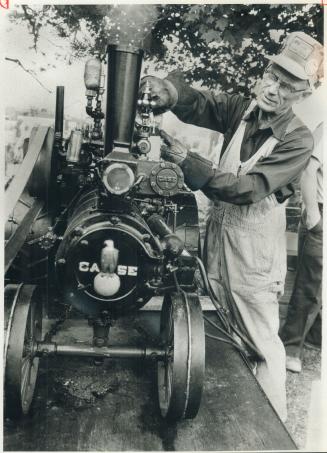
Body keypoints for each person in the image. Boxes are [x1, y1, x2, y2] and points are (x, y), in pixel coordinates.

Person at [140, 32, 323, 422]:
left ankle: (274, 434)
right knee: (227, 330)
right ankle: (236, 425)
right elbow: (200, 103)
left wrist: (187, 160)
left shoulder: (298, 140)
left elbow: (247, 189)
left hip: (254, 257)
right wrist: (169, 92)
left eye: (289, 88)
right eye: (273, 78)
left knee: (263, 343)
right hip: (219, 242)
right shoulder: (242, 110)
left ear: (303, 97)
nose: (275, 90)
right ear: (265, 72)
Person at [280, 122, 323, 373]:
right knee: (311, 282)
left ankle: (316, 338)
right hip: (321, 213)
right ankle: (289, 348)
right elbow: (308, 170)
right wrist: (314, 218)